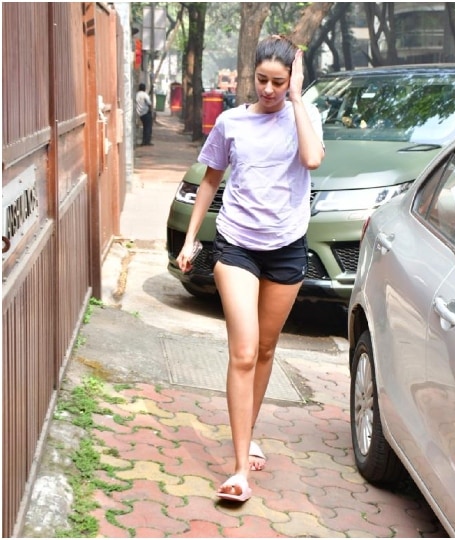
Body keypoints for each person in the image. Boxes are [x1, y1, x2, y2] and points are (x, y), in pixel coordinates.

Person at [176, 35, 325, 502]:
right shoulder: (230, 122)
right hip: (237, 244)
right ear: (252, 75)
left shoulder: (304, 116)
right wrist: (189, 239)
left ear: (292, 80)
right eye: (262, 79)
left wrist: (297, 98)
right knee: (243, 351)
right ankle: (240, 468)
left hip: (286, 249)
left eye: (278, 82)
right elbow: (209, 181)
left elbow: (313, 159)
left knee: (264, 350)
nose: (268, 89)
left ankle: (248, 431)